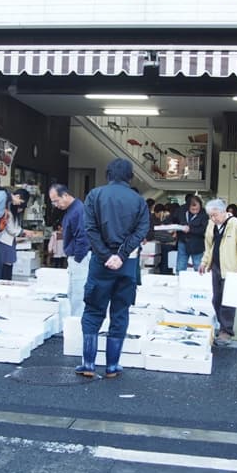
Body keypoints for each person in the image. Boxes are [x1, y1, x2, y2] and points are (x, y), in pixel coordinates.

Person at [77, 158, 149, 378]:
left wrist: (106, 255)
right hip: (127, 264)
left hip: (101, 263)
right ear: (130, 176)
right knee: (120, 312)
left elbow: (90, 229)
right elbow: (141, 230)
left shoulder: (94, 195)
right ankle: (112, 366)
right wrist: (122, 254)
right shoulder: (139, 201)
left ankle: (88, 364)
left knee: (93, 310)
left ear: (108, 174)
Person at [198, 199, 237, 346]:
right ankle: (222, 325)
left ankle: (226, 332)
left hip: (232, 269)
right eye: (210, 216)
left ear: (223, 212)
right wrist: (204, 262)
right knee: (216, 299)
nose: (213, 218)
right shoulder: (211, 225)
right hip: (216, 266)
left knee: (228, 302)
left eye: (215, 215)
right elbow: (208, 246)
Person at [48, 183, 91, 317]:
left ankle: (77, 323)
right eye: (53, 202)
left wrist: (77, 258)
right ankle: (74, 321)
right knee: (73, 293)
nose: (56, 205)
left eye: (56, 201)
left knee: (78, 294)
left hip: (80, 257)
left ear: (65, 195)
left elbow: (83, 237)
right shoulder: (72, 209)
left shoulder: (78, 210)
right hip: (76, 257)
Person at [0, 188, 29, 281]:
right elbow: (11, 229)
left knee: (8, 264)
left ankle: (6, 283)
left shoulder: (11, 210)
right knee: (6, 264)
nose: (20, 208)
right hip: (4, 241)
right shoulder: (8, 210)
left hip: (8, 241)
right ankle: (5, 283)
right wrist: (23, 232)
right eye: (21, 204)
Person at [172, 195, 207, 272]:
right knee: (180, 266)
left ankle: (199, 279)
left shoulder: (204, 214)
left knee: (198, 266)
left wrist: (190, 229)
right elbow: (174, 221)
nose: (195, 210)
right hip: (183, 242)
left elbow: (204, 229)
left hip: (197, 244)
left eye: (197, 209)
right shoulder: (182, 212)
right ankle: (179, 278)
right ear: (188, 207)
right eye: (192, 209)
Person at [151, 203, 176, 275]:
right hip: (163, 242)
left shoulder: (158, 219)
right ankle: (165, 272)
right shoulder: (154, 220)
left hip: (162, 242)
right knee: (166, 257)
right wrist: (172, 237)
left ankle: (165, 272)